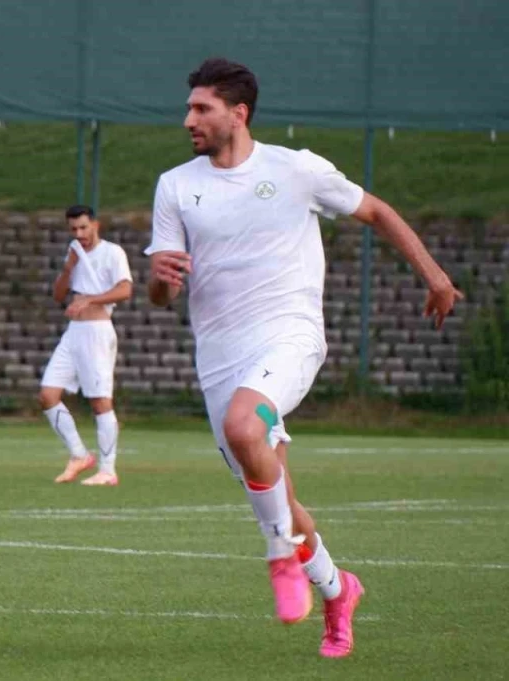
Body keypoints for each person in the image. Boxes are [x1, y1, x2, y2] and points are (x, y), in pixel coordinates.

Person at [145, 58, 462, 658]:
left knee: (245, 427)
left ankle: (279, 559)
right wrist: (159, 277)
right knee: (283, 502)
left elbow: (377, 211)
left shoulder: (296, 169)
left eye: (202, 108)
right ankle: (339, 591)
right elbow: (161, 295)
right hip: (220, 359)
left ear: (238, 113)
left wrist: (435, 276)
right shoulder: (175, 186)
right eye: (189, 108)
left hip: (290, 338)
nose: (189, 119)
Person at [38, 204, 132, 486]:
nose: (79, 234)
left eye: (83, 228)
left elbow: (125, 289)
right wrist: (68, 268)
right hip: (74, 333)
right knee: (48, 394)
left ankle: (108, 470)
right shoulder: (74, 253)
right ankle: (79, 454)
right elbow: (58, 296)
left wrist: (90, 299)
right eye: (73, 229)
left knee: (100, 401)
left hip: (97, 333)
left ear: (95, 225)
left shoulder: (112, 252)